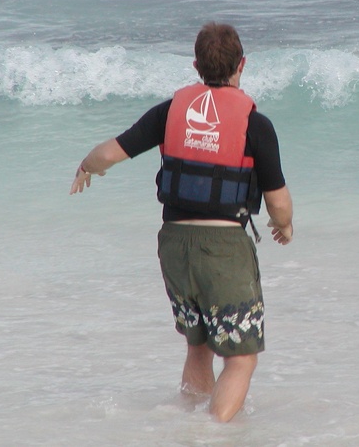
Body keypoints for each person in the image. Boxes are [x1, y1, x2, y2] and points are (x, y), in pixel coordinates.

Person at [69, 23, 294, 422]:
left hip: (174, 245)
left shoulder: (171, 111)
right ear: (242, 64)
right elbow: (278, 201)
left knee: (199, 345)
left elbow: (109, 153)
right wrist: (285, 225)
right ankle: (211, 432)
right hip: (223, 248)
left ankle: (188, 424)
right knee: (241, 358)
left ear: (196, 66)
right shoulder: (255, 125)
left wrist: (87, 166)